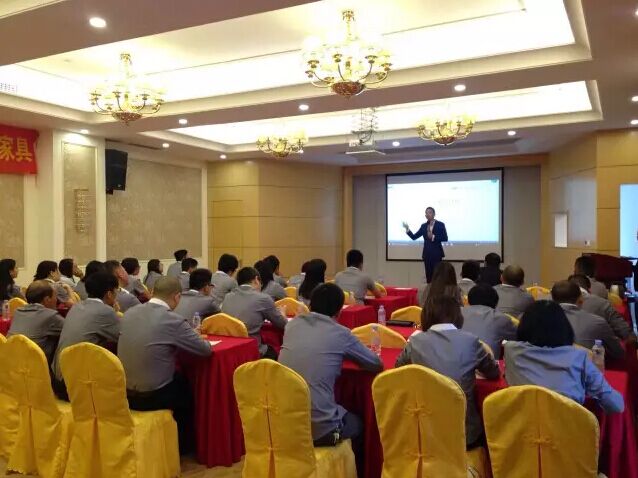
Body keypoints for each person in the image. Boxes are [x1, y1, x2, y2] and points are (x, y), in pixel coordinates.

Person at [279, 283, 383, 446]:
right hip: (320, 430)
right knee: (358, 424)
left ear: (310, 305)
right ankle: (345, 463)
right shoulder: (340, 333)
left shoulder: (292, 325)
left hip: (284, 422)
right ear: (339, 311)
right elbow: (376, 364)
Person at [119, 277, 212, 454]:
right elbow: (205, 350)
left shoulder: (130, 312)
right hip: (152, 395)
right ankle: (183, 447)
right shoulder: (173, 320)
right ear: (177, 297)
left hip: (125, 391)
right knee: (185, 387)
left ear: (152, 292)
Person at [396, 295, 500, 449]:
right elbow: (493, 373)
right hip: (463, 434)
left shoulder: (415, 342)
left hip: (423, 432)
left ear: (425, 316)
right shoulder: (470, 341)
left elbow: (398, 369)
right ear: (458, 316)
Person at [504, 300, 624, 414]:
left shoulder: (511, 350)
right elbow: (616, 405)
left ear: (524, 326)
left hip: (522, 425)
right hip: (567, 427)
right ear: (564, 327)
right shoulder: (578, 357)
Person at [52, 271, 120, 400]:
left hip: (58, 380)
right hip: (77, 387)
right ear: (109, 294)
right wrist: (115, 313)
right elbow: (123, 338)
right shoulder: (105, 311)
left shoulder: (76, 307)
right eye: (116, 292)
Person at [221, 267, 287, 359]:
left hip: (230, 349)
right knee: (276, 350)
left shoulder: (227, 297)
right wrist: (283, 314)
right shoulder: (263, 298)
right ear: (256, 280)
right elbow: (283, 324)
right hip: (251, 348)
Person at [551, 281, 623, 360]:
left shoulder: (542, 321)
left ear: (552, 300)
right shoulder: (597, 322)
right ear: (581, 299)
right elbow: (618, 352)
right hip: (585, 366)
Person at [8, 280, 64, 364]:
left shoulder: (18, 312)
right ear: (47, 299)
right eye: (55, 297)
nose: (57, 301)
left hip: (11, 365)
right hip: (36, 368)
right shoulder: (50, 316)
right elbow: (71, 330)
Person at [569, 274, 634, 341]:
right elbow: (625, 332)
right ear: (589, 288)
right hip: (598, 345)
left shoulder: (563, 303)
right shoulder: (603, 303)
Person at [461, 283, 518, 357]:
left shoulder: (458, 313)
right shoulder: (502, 319)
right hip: (486, 362)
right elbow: (519, 338)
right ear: (496, 303)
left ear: (468, 300)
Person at [403, 207, 448, 283]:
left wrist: (433, 237)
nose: (427, 214)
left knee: (437, 276)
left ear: (434, 214)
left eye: (429, 212)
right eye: (426, 213)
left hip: (437, 255)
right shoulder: (423, 226)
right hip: (427, 255)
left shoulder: (440, 224)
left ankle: (437, 290)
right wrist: (407, 229)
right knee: (429, 276)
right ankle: (429, 289)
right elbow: (414, 237)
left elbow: (445, 238)